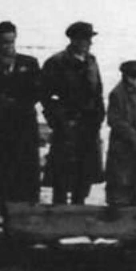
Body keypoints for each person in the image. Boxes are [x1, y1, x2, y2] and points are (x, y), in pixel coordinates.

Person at [41, 22, 105, 205]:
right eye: (85, 39)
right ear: (73, 40)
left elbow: (98, 92)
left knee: (85, 174)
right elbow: (46, 97)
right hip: (67, 125)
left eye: (90, 39)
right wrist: (58, 121)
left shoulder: (92, 61)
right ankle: (59, 211)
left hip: (89, 125)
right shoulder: (57, 63)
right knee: (62, 174)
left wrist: (99, 117)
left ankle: (79, 206)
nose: (89, 43)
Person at [0, 21, 42, 214]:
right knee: (1, 172)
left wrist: (17, 103)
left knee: (27, 171)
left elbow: (37, 92)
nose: (8, 46)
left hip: (24, 126)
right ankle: (2, 212)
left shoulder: (29, 63)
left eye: (10, 41)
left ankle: (28, 211)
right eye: (3, 42)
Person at [105, 60, 136, 207]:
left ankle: (135, 196)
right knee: (121, 175)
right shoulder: (117, 94)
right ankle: (118, 201)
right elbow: (115, 120)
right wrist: (132, 135)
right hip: (123, 143)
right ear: (130, 78)